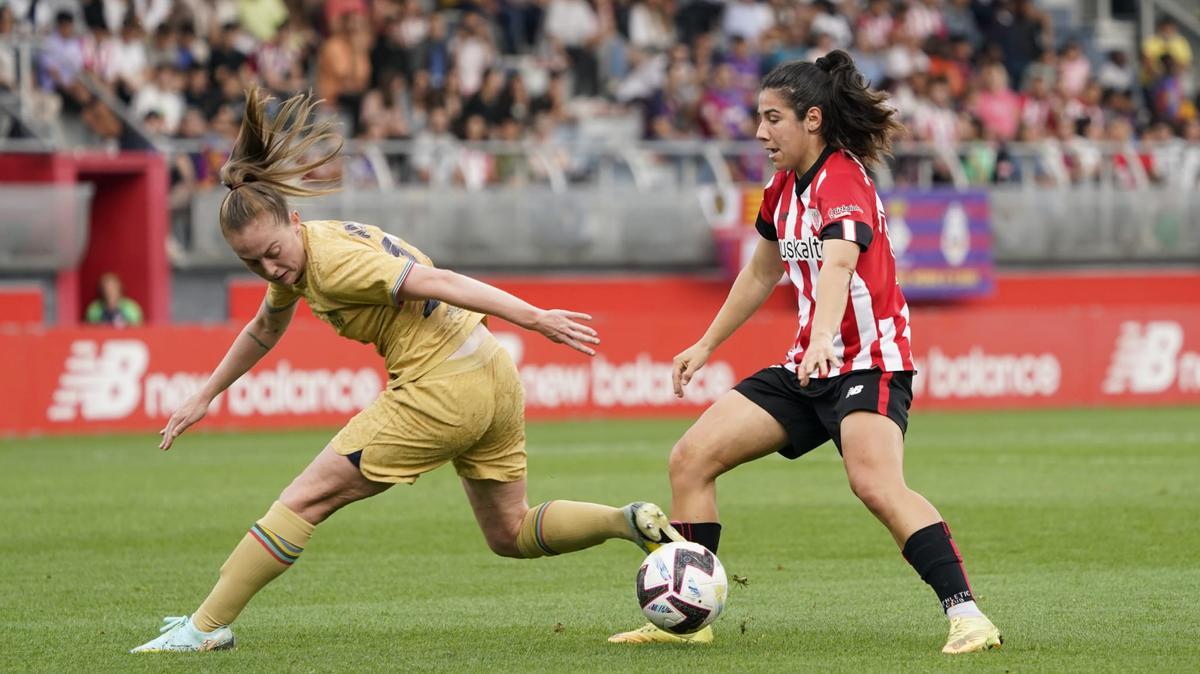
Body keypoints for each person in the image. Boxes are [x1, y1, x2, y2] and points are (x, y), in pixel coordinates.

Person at [130, 88, 682, 653]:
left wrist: (534, 316)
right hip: (489, 372)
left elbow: (441, 281)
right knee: (510, 531)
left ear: (294, 219)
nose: (269, 267)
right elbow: (264, 329)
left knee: (303, 501)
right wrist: (206, 394)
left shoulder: (336, 263)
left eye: (272, 251)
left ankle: (203, 628)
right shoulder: (305, 252)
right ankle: (627, 520)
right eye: (251, 262)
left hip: (441, 386)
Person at [607, 51, 1003, 654]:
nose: (760, 132)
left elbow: (840, 262)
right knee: (691, 459)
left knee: (874, 484)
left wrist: (822, 336)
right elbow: (761, 272)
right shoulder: (781, 187)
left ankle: (968, 616)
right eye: (758, 118)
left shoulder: (842, 179)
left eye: (772, 119)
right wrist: (707, 343)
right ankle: (690, 618)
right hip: (806, 367)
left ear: (812, 119)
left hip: (868, 360)